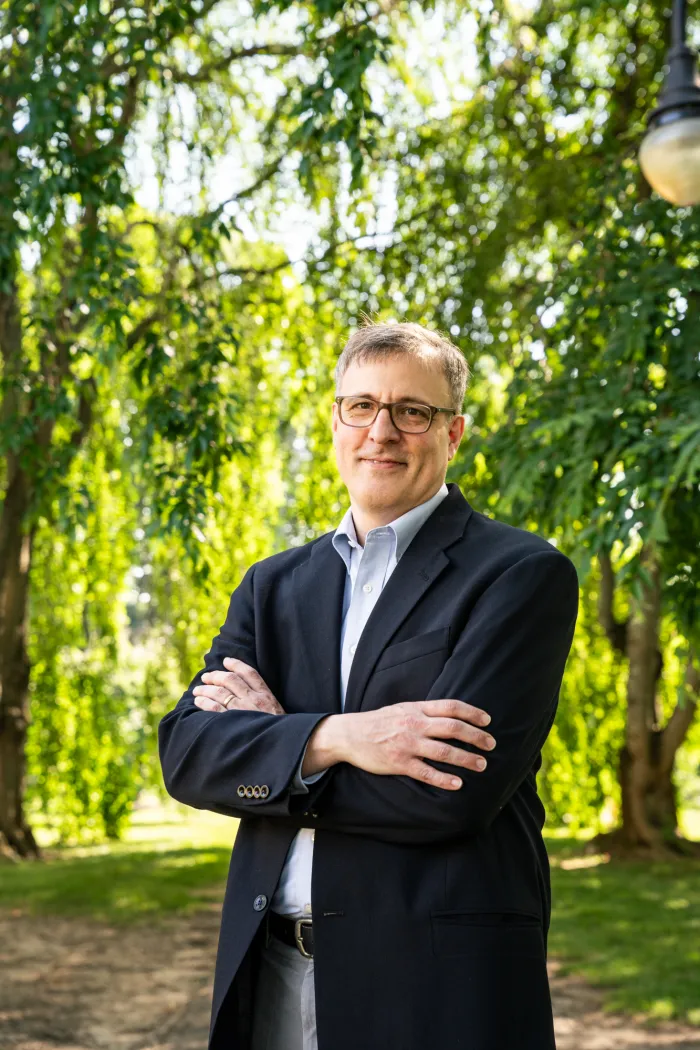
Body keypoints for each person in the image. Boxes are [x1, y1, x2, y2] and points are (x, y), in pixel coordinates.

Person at [158, 320, 579, 1050]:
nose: (381, 431)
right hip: (270, 973)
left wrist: (275, 746)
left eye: (412, 411)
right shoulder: (272, 585)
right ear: (336, 422)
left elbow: (448, 793)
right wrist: (338, 738)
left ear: (453, 433)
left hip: (432, 986)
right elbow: (189, 754)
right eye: (361, 406)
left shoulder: (519, 575)